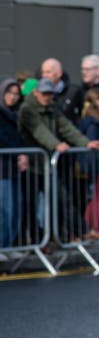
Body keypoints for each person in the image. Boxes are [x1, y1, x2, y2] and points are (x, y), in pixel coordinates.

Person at [18, 78, 99, 243]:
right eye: (44, 94)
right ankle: (36, 241)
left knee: (62, 200)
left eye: (50, 94)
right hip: (32, 166)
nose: (47, 97)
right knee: (31, 207)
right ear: (36, 93)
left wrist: (86, 142)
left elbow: (66, 128)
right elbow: (40, 131)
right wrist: (56, 144)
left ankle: (79, 232)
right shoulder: (27, 109)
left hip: (47, 165)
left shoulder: (53, 108)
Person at [77, 88, 99, 240]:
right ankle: (91, 229)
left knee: (96, 198)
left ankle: (91, 229)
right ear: (98, 102)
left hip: (97, 166)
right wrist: (95, 167)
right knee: (96, 199)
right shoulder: (92, 122)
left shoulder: (93, 120)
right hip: (96, 167)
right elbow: (92, 147)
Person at [0, 79, 27, 252]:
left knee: (16, 208)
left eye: (16, 94)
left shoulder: (15, 115)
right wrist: (19, 153)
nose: (13, 97)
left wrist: (24, 153)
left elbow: (19, 139)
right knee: (5, 209)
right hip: (2, 168)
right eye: (9, 93)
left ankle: (9, 245)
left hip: (14, 168)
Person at [40, 58, 83, 124]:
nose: (44, 76)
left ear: (59, 73)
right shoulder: (38, 92)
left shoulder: (74, 92)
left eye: (48, 72)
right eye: (43, 72)